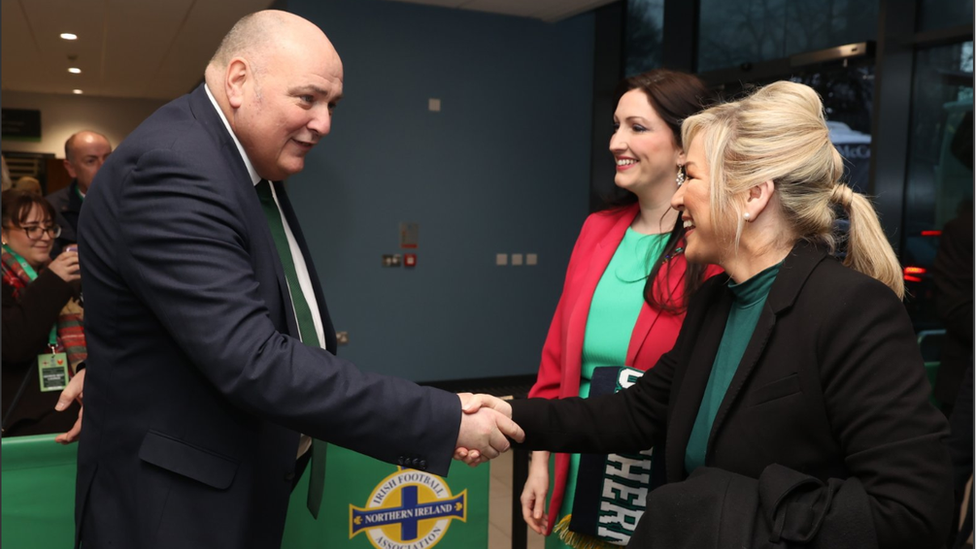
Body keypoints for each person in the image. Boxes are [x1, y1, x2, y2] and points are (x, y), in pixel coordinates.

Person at [71, 10, 521, 548]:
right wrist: (442, 418)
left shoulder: (241, 161)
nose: (324, 123)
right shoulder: (177, 166)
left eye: (331, 105)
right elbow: (253, 359)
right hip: (173, 506)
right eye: (306, 99)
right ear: (238, 80)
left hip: (227, 478)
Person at [461, 81, 953, 548]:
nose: (677, 198)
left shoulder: (851, 310)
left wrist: (715, 506)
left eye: (690, 177)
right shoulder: (717, 301)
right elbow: (634, 412)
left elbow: (912, 515)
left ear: (752, 195)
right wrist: (505, 413)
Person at [521, 69, 719, 549]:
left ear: (683, 147)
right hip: (573, 468)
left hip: (652, 483)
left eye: (637, 127)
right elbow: (555, 362)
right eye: (616, 125)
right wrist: (541, 461)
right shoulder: (597, 230)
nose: (616, 141)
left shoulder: (710, 247)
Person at [1, 190, 84, 437]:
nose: (45, 237)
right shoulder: (47, 277)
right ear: (3, 233)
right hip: (21, 424)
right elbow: (13, 343)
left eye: (49, 227)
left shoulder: (53, 273)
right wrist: (53, 282)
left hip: (65, 415)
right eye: (32, 228)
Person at [44, 130, 112, 257]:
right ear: (71, 168)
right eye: (91, 161)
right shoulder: (52, 209)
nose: (103, 167)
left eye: (108, 158)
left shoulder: (131, 202)